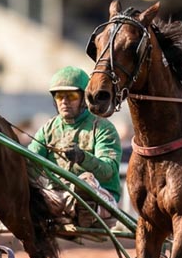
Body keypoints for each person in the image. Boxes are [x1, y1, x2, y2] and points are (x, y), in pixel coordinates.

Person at [28, 66, 122, 230]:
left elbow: (108, 171)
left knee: (84, 181)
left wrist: (83, 158)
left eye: (70, 96)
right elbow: (30, 167)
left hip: (101, 199)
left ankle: (84, 213)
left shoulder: (102, 128)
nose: (64, 101)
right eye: (59, 96)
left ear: (84, 99)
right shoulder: (47, 130)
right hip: (59, 198)